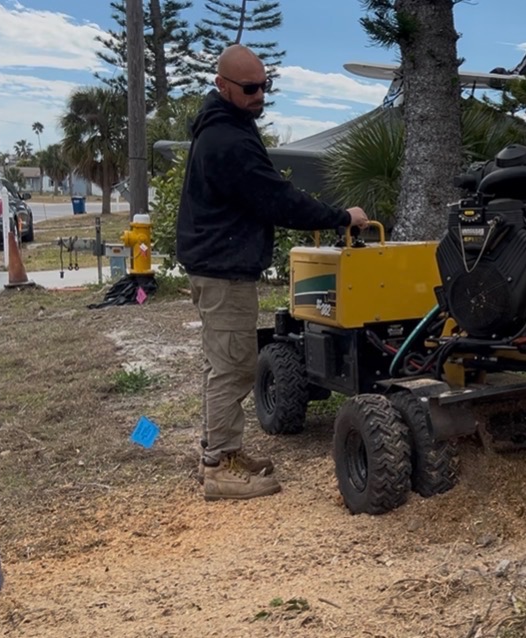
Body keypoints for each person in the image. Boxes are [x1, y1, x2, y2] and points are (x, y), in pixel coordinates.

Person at [176, 44, 368, 501]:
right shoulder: (228, 140)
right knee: (235, 367)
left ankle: (221, 450)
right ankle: (220, 465)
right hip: (223, 271)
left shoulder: (227, 126)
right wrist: (341, 216)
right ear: (222, 86)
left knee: (223, 363)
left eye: (264, 86)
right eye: (249, 88)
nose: (259, 94)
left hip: (219, 265)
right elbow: (278, 200)